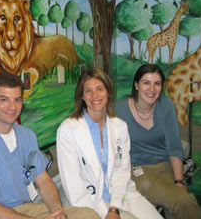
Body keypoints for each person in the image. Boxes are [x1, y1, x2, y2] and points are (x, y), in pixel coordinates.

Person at [0, 71, 101, 219]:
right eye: (4, 100)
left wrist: (57, 212)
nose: (12, 107)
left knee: (89, 215)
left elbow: (43, 181)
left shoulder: (27, 136)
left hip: (26, 209)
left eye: (17, 100)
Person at [57, 68, 162, 219]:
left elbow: (122, 171)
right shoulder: (68, 130)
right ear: (82, 96)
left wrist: (114, 208)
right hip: (89, 202)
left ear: (108, 92)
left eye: (100, 89)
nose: (95, 96)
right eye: (88, 91)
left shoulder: (119, 127)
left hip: (120, 195)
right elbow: (73, 185)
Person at [114, 64, 201, 219]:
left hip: (164, 165)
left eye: (157, 83)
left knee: (176, 201)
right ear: (136, 85)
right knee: (182, 201)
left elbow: (174, 145)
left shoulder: (166, 105)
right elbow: (113, 146)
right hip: (137, 169)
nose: (152, 89)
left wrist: (179, 181)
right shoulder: (119, 108)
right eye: (146, 82)